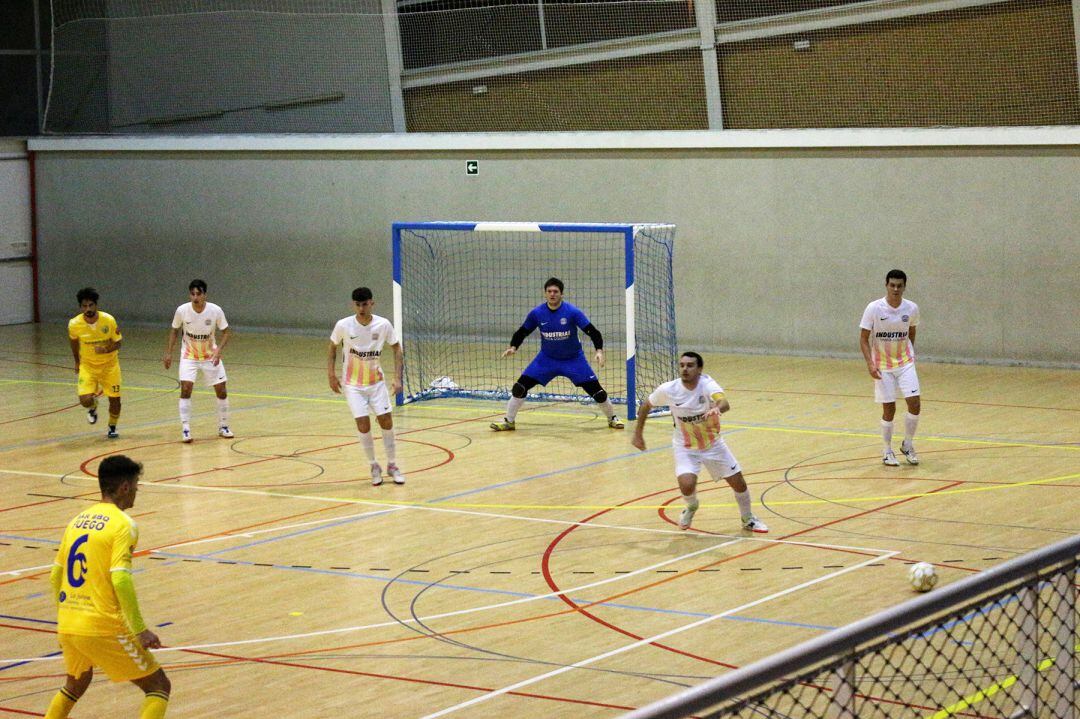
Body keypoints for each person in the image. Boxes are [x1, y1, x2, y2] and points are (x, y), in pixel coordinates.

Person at [46, 455, 171, 718]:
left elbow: (55, 576)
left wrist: (65, 619)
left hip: (69, 622)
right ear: (125, 487)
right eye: (136, 484)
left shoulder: (77, 520)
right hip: (102, 624)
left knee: (75, 684)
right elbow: (120, 577)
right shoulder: (123, 524)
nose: (137, 490)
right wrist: (140, 629)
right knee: (158, 685)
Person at [631, 351, 769, 533]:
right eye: (682, 365)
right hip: (685, 447)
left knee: (739, 484)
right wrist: (638, 434)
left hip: (713, 444)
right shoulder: (668, 389)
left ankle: (748, 518)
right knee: (687, 485)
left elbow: (724, 402)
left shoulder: (707, 384)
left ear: (699, 369)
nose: (685, 369)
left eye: (690, 365)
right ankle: (691, 507)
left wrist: (717, 409)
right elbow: (645, 406)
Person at [490, 277, 624, 431]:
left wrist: (599, 351)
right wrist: (513, 347)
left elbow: (593, 332)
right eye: (549, 291)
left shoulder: (572, 312)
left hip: (573, 360)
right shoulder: (537, 313)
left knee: (598, 393)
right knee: (519, 387)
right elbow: (523, 331)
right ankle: (509, 421)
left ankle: (612, 418)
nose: (552, 294)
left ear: (561, 294)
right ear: (545, 293)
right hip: (546, 359)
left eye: (556, 291)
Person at [328, 287, 406, 485]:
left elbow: (397, 348)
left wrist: (398, 378)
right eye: (358, 305)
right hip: (353, 385)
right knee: (363, 423)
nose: (361, 308)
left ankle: (392, 464)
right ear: (353, 304)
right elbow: (332, 347)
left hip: (376, 383)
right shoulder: (344, 325)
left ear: (372, 303)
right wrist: (331, 374)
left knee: (386, 421)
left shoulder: (383, 324)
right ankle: (374, 465)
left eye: (365, 304)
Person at [859, 269, 921, 466]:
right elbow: (863, 338)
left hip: (905, 362)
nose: (895, 289)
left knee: (915, 404)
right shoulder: (874, 308)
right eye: (892, 285)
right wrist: (870, 363)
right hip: (882, 365)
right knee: (889, 409)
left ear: (904, 287)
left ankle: (908, 444)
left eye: (899, 286)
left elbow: (911, 331)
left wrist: (907, 353)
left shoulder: (911, 308)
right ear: (886, 285)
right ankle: (887, 450)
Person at [161, 279, 233, 443]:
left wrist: (219, 349)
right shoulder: (182, 310)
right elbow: (174, 330)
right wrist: (169, 352)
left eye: (198, 294)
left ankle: (223, 426)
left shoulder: (215, 311)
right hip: (189, 357)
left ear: (204, 295)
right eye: (192, 294)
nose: (195, 297)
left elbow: (227, 332)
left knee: (221, 390)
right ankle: (186, 429)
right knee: (186, 389)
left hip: (210, 356)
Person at [68, 288, 122, 439]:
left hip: (109, 367)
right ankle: (92, 406)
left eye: (91, 305)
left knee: (115, 400)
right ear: (80, 307)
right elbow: (73, 342)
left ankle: (112, 426)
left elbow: (118, 343)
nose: (88, 309)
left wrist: (105, 349)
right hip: (88, 366)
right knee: (84, 400)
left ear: (96, 305)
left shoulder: (108, 320)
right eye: (85, 306)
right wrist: (77, 362)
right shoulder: (74, 324)